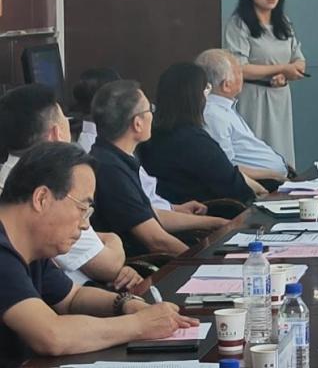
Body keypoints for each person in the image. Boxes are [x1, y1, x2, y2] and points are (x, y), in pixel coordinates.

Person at [0, 142, 196, 363]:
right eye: (82, 208)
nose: (85, 225)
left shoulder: (29, 249)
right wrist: (140, 325)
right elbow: (51, 335)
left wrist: (127, 304)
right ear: (41, 198)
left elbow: (72, 297)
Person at [0, 85, 140, 291]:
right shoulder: (53, 184)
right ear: (56, 134)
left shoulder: (11, 176)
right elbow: (108, 267)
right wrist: (113, 238)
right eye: (64, 118)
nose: (83, 224)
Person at [90, 80, 224, 257]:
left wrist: (215, 223)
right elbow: (157, 241)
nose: (153, 115)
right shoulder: (110, 171)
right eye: (150, 110)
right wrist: (204, 262)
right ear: (137, 123)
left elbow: (149, 216)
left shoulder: (115, 156)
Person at [72, 68, 210, 222]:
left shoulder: (118, 152)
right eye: (149, 109)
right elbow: (147, 225)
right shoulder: (108, 162)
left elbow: (147, 204)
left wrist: (174, 208)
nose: (153, 114)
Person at [139, 63, 262, 205]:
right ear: (197, 97)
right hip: (210, 211)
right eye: (206, 89)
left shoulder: (150, 135)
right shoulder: (194, 142)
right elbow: (235, 188)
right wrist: (262, 192)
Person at [224, 0, 306, 164]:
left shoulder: (284, 22)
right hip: (253, 97)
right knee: (256, 152)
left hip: (280, 96)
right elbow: (239, 67)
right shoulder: (239, 24)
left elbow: (299, 61)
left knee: (282, 152)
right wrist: (282, 68)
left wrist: (285, 75)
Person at [195, 49, 290, 185]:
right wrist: (273, 175)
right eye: (238, 72)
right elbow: (226, 168)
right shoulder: (213, 115)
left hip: (274, 179)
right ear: (226, 85)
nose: (242, 76)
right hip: (259, 185)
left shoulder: (224, 109)